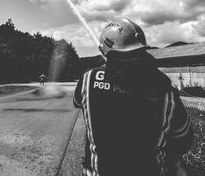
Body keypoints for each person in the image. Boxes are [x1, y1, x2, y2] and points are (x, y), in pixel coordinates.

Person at [74, 18, 193, 176]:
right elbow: (183, 142)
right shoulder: (165, 91)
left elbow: (77, 102)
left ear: (104, 51)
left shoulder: (88, 80)